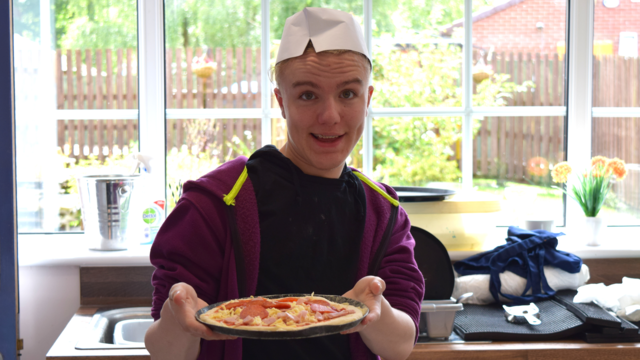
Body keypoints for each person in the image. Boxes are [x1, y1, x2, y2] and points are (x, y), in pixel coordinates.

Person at [144, 7, 424, 360]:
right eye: (308, 95)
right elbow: (164, 352)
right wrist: (177, 310)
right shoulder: (215, 202)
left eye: (348, 94)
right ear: (281, 102)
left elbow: (399, 346)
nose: (330, 116)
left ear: (367, 99)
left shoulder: (384, 212)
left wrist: (373, 308)